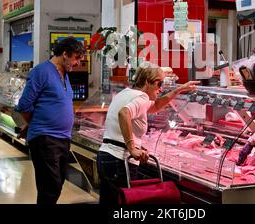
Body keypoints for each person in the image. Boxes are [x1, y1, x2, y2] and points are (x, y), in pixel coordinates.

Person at [97, 62, 199, 205]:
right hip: (119, 160)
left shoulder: (126, 93)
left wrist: (178, 90)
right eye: (159, 83)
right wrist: (132, 147)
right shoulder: (141, 98)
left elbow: (156, 106)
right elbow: (124, 113)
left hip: (106, 156)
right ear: (146, 82)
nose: (161, 88)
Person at [15, 37, 85, 204]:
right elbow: (24, 105)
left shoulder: (65, 74)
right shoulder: (41, 71)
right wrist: (35, 123)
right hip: (45, 138)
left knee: (58, 183)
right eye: (76, 58)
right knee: (50, 186)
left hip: (63, 138)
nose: (77, 63)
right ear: (65, 53)